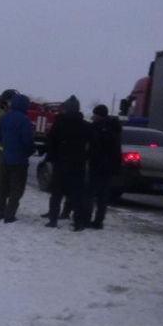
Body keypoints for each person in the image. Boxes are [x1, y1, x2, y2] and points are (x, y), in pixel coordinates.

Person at [42, 95, 94, 230]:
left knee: (57, 194)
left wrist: (52, 158)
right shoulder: (86, 126)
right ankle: (78, 223)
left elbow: (51, 143)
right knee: (78, 195)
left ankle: (53, 220)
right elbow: (92, 145)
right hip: (78, 164)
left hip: (61, 163)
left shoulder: (59, 124)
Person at [0, 93, 35, 223]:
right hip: (19, 160)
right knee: (16, 189)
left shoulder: (4, 118)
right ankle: (9, 215)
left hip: (5, 158)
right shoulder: (24, 120)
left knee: (3, 188)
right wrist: (30, 151)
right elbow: (27, 141)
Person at [80, 104, 123, 229]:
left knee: (90, 194)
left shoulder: (98, 129)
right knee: (103, 196)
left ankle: (86, 219)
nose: (93, 117)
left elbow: (94, 148)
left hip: (97, 165)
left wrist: (87, 156)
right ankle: (99, 221)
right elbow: (116, 150)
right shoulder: (115, 129)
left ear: (99, 115)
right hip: (109, 167)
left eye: (95, 114)